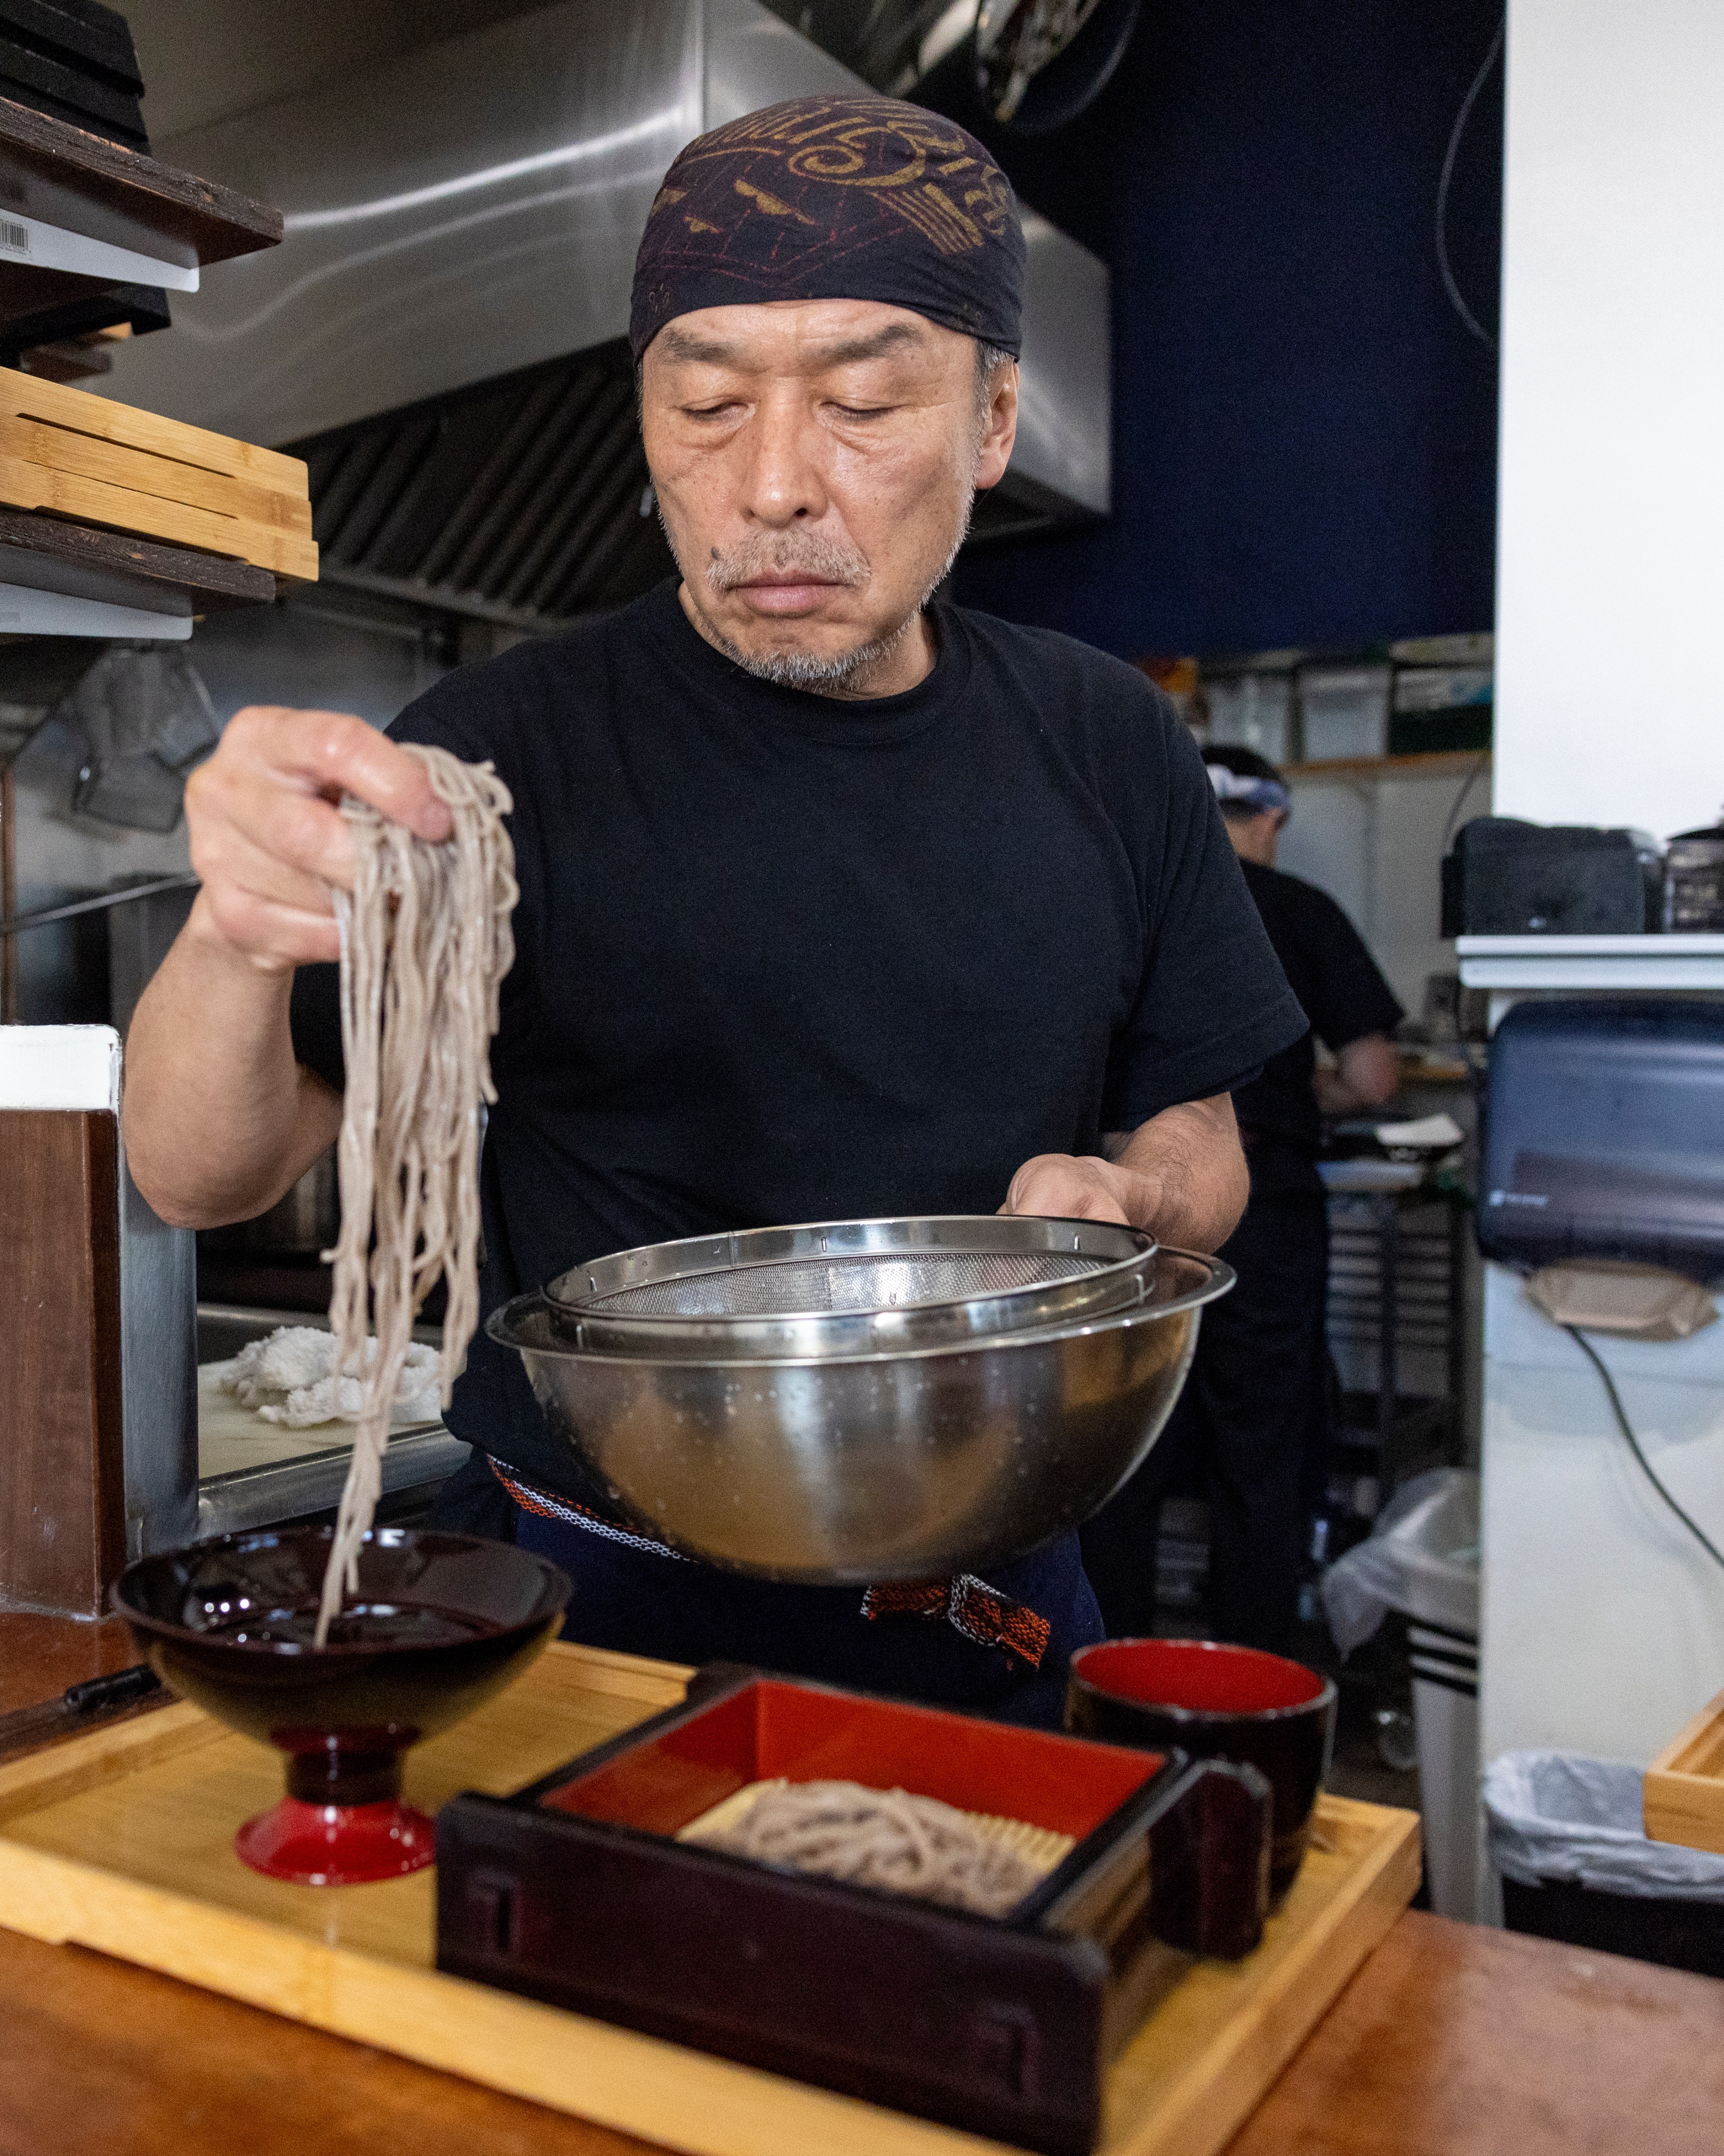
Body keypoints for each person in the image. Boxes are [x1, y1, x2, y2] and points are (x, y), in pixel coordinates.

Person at [123, 96, 1306, 1727]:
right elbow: (200, 1168)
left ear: (992, 420)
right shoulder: (487, 759)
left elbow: (1206, 1130)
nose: (771, 487)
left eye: (865, 403)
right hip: (598, 1604)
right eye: (705, 404)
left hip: (993, 1604)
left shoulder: (1108, 740)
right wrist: (234, 934)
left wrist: (1124, 1197)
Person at [1080, 744, 1404, 1654]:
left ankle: (1110, 1680)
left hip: (1121, 1205)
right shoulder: (1300, 912)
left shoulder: (1118, 907)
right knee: (1260, 1452)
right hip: (1262, 1207)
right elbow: (1375, 1078)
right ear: (1271, 819)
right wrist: (1300, 1100)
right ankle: (1247, 1684)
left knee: (1120, 1451)